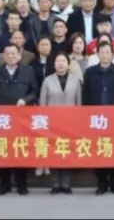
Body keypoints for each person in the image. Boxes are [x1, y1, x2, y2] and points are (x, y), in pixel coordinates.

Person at [82, 42, 114, 195]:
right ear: (97, 54)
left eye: (108, 52)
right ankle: (101, 183)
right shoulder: (90, 73)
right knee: (100, 149)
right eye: (102, 52)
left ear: (112, 55)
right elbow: (86, 96)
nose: (105, 55)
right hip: (97, 119)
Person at [0, 44, 37, 196]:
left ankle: (21, 184)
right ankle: (4, 184)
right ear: (3, 56)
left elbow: (34, 92)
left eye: (13, 54)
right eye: (7, 54)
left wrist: (25, 99)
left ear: (19, 55)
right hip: (2, 119)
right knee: (3, 149)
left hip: (21, 117)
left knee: (20, 149)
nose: (10, 56)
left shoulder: (28, 71)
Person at [39, 52, 80, 195]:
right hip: (52, 124)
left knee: (67, 153)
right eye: (58, 61)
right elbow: (42, 103)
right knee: (54, 153)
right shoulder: (47, 80)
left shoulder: (76, 80)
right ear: (54, 64)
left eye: (63, 61)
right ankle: (55, 183)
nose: (61, 63)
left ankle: (66, 183)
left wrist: (78, 121)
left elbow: (79, 103)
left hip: (70, 123)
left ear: (68, 64)